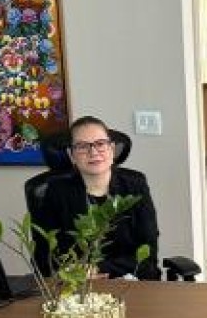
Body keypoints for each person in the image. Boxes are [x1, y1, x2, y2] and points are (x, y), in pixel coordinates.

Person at [34, 115, 161, 280]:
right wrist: (71, 273)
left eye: (100, 144)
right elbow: (45, 254)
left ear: (112, 149)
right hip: (77, 284)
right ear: (71, 155)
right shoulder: (56, 192)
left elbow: (148, 252)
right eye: (82, 146)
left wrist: (97, 268)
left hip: (133, 281)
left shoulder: (135, 185)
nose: (93, 152)